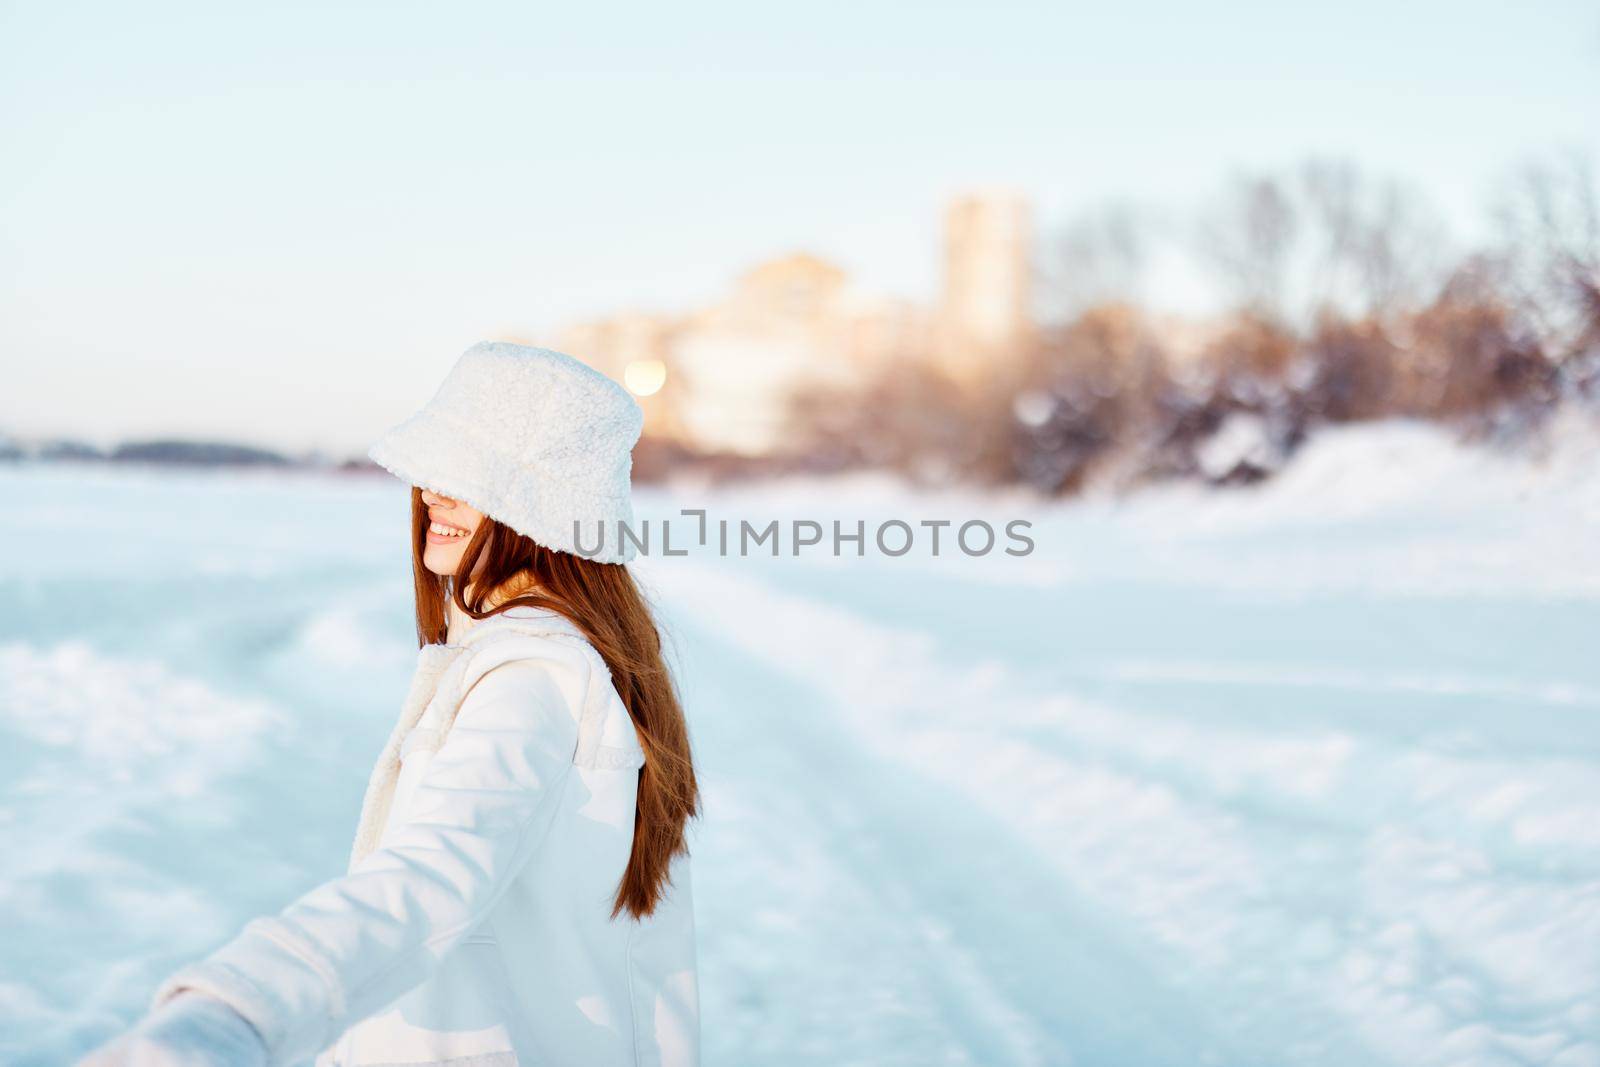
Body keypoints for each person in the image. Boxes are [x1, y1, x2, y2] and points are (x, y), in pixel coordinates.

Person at [79, 341, 702, 1067]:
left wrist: (239, 1006)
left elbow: (429, 872)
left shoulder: (529, 679)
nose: (434, 489)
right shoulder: (581, 658)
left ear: (545, 506)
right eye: (436, 464)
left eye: (468, 473)